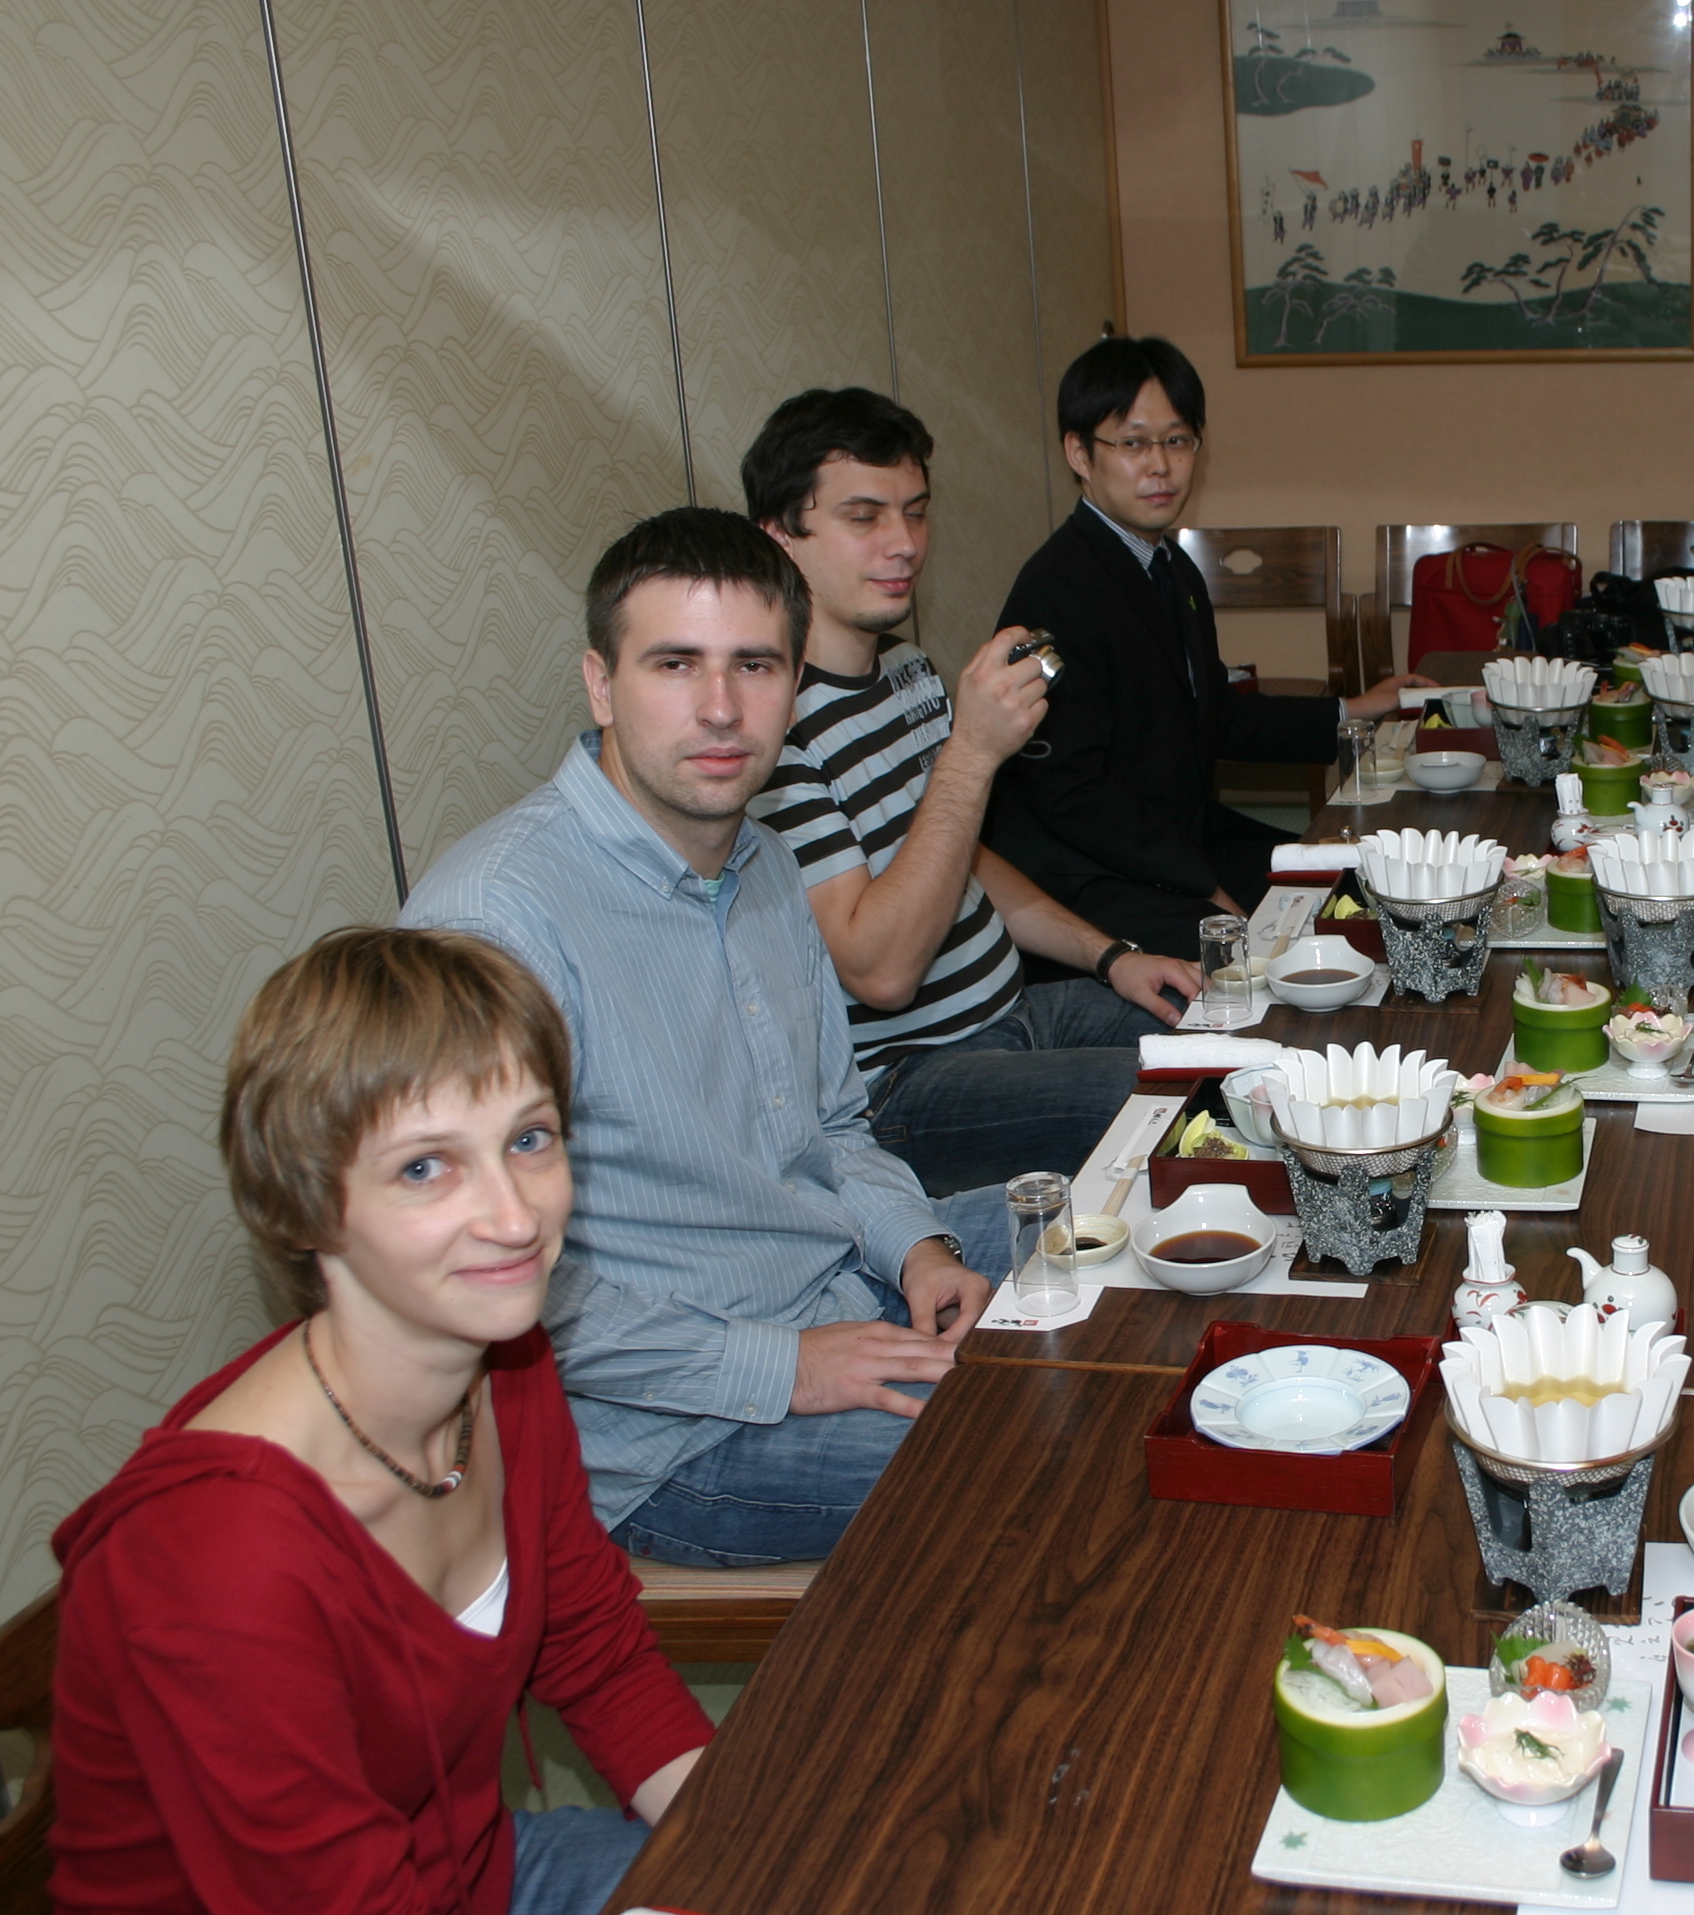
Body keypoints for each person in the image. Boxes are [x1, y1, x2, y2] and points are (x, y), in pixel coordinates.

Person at [48, 927, 716, 1915]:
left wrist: (754, 1856)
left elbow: (599, 1662)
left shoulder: (504, 1369)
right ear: (307, 1204)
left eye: (530, 1139)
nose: (515, 1216)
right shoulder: (221, 1561)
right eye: (424, 1167)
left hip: (465, 1899)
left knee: (839, 1911)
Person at [402, 507, 1010, 1568]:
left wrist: (916, 1248)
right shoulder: (496, 923)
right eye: (675, 664)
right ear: (601, 684)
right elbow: (490, 1277)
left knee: (1123, 1241)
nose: (722, 708)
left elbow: (833, 1125)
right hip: (674, 1427)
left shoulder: (766, 861)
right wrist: (786, 1367)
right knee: (1040, 1443)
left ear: (794, 685)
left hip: (834, 1280)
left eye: (755, 666)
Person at [742, 386, 1206, 1195]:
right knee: (1170, 1111)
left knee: (1227, 1028)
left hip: (1015, 1012)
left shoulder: (908, 671)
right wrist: (972, 753)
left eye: (915, 513)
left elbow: (966, 858)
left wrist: (1112, 957)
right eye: (863, 517)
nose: (904, 545)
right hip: (909, 1084)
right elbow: (882, 972)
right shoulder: (769, 730)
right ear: (780, 536)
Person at [990, 334, 1406, 957]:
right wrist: (1200, 886)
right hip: (1090, 875)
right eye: (1133, 443)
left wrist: (1355, 709)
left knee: (1355, 878)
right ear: (1079, 453)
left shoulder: (1172, 569)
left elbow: (1217, 717)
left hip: (1175, 840)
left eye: (1178, 440)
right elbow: (1071, 793)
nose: (1160, 465)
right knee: (1294, 939)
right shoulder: (1056, 590)